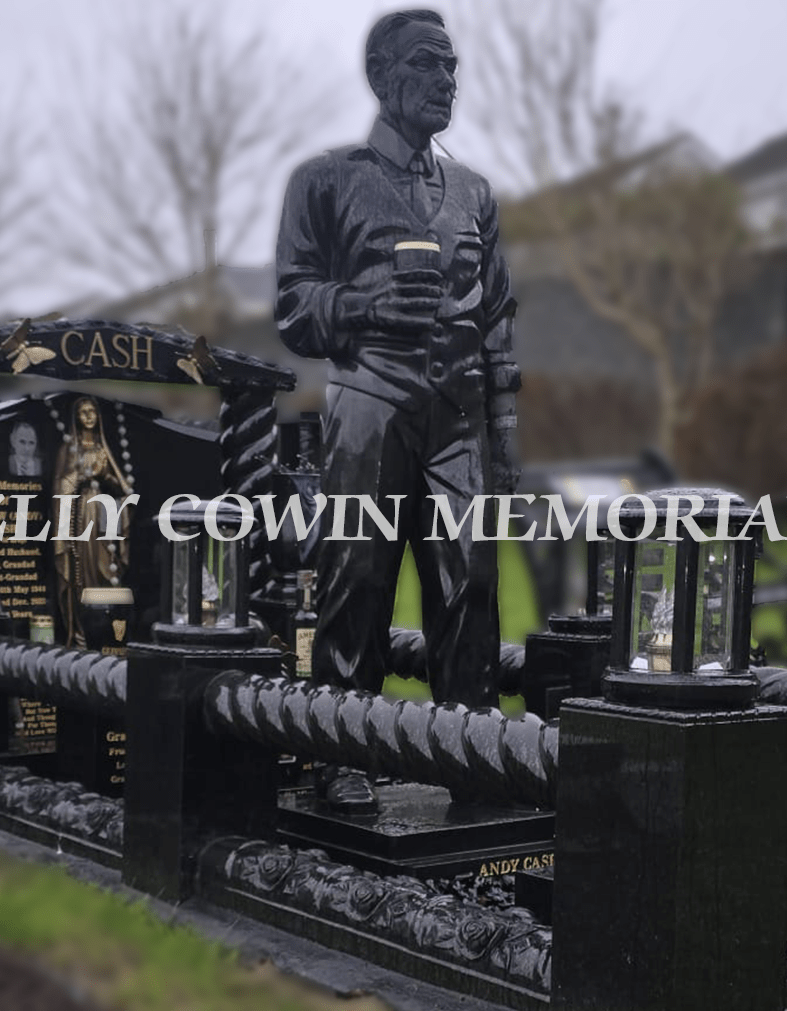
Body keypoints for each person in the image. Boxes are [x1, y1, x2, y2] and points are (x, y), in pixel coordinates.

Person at [275, 10, 520, 785]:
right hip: (370, 409)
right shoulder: (327, 179)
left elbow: (498, 319)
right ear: (383, 77)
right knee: (358, 579)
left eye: (453, 68)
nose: (447, 81)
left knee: (472, 585)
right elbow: (293, 306)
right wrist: (361, 304)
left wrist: (503, 442)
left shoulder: (475, 193)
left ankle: (472, 756)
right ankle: (345, 753)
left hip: (459, 418)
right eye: (429, 65)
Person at [52, 397, 133, 647]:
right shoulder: (70, 448)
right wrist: (81, 474)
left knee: (106, 566)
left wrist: (108, 475)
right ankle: (81, 633)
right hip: (81, 512)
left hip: (102, 509)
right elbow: (61, 484)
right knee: (83, 569)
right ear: (76, 418)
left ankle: (109, 635)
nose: (88, 416)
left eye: (92, 412)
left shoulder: (102, 447)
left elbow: (121, 485)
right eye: (83, 412)